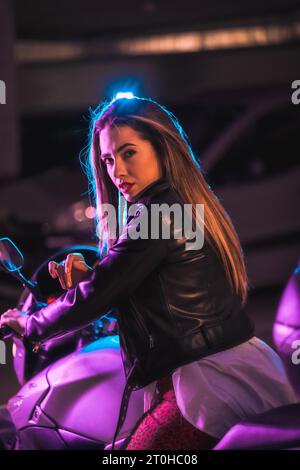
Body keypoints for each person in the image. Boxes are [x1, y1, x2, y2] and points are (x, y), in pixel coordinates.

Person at [1, 96, 298, 450]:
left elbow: (102, 289)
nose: (117, 171)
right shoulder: (177, 205)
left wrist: (31, 325)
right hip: (226, 368)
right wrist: (95, 278)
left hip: (205, 384)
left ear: (160, 148)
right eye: (109, 159)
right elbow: (139, 279)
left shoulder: (159, 213)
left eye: (129, 153)